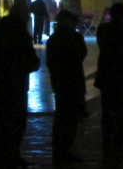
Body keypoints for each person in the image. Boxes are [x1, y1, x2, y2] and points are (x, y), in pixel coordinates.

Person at [0, 3, 40, 169]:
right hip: (16, 86)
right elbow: (31, 62)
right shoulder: (21, 36)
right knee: (16, 123)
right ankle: (11, 155)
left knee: (0, 123)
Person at [94, 3, 123, 162]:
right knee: (119, 114)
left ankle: (106, 146)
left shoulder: (103, 31)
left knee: (106, 114)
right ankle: (118, 147)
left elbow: (103, 49)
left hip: (106, 77)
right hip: (122, 77)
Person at [46, 10, 87, 163]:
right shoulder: (74, 37)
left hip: (60, 81)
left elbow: (50, 62)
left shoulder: (54, 39)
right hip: (73, 80)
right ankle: (66, 149)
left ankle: (59, 148)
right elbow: (82, 53)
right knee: (71, 118)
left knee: (61, 116)